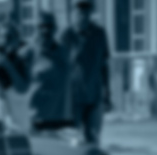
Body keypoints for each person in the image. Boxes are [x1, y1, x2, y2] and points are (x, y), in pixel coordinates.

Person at [62, 0, 111, 145]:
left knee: (94, 139)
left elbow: (104, 64)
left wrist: (107, 93)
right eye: (80, 9)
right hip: (73, 99)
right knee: (73, 141)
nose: (83, 13)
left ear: (91, 11)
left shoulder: (100, 34)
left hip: (94, 97)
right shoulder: (67, 35)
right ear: (74, 12)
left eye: (86, 9)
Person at [26, 13, 70, 131]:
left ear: (55, 28)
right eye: (42, 26)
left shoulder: (63, 51)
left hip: (62, 117)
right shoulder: (30, 52)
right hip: (38, 118)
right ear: (37, 29)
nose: (46, 30)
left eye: (49, 26)